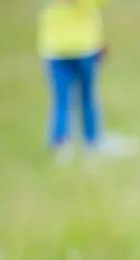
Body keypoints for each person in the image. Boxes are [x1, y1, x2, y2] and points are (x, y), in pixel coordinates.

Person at [37, 0, 107, 155]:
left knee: (61, 99)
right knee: (87, 97)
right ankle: (92, 140)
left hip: (55, 48)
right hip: (84, 46)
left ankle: (60, 141)